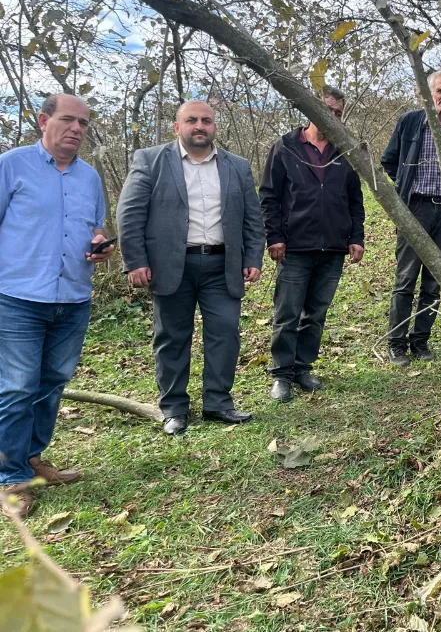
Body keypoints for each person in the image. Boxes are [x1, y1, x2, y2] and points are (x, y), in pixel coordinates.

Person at [117, 100, 265, 435]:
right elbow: (130, 214)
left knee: (225, 333)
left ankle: (218, 403)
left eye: (207, 121)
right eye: (192, 120)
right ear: (177, 126)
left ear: (215, 126)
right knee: (171, 337)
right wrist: (135, 261)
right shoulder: (150, 161)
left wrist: (253, 258)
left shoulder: (236, 166)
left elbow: (253, 218)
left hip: (221, 265)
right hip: (171, 266)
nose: (200, 126)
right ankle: (174, 409)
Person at [0, 94, 115, 518]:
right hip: (17, 297)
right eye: (68, 120)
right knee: (16, 387)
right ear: (43, 120)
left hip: (72, 298)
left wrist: (99, 248)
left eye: (84, 124)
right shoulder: (11, 165)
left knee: (51, 382)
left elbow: (95, 228)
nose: (77, 129)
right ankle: (9, 477)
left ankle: (31, 458)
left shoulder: (89, 177)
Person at [259, 86, 365, 403]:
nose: (331, 117)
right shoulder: (285, 147)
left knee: (316, 314)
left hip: (333, 247)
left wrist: (356, 237)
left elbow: (356, 200)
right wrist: (274, 236)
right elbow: (269, 197)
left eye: (336, 113)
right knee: (287, 314)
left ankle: (303, 368)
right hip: (295, 247)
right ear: (309, 111)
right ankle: (281, 375)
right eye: (325, 110)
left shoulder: (344, 150)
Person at [381, 71, 441, 366]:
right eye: (440, 91)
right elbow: (389, 159)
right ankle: (396, 343)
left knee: (435, 282)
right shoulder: (410, 122)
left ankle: (420, 341)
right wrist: (405, 186)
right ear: (428, 93)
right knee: (406, 278)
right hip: (414, 209)